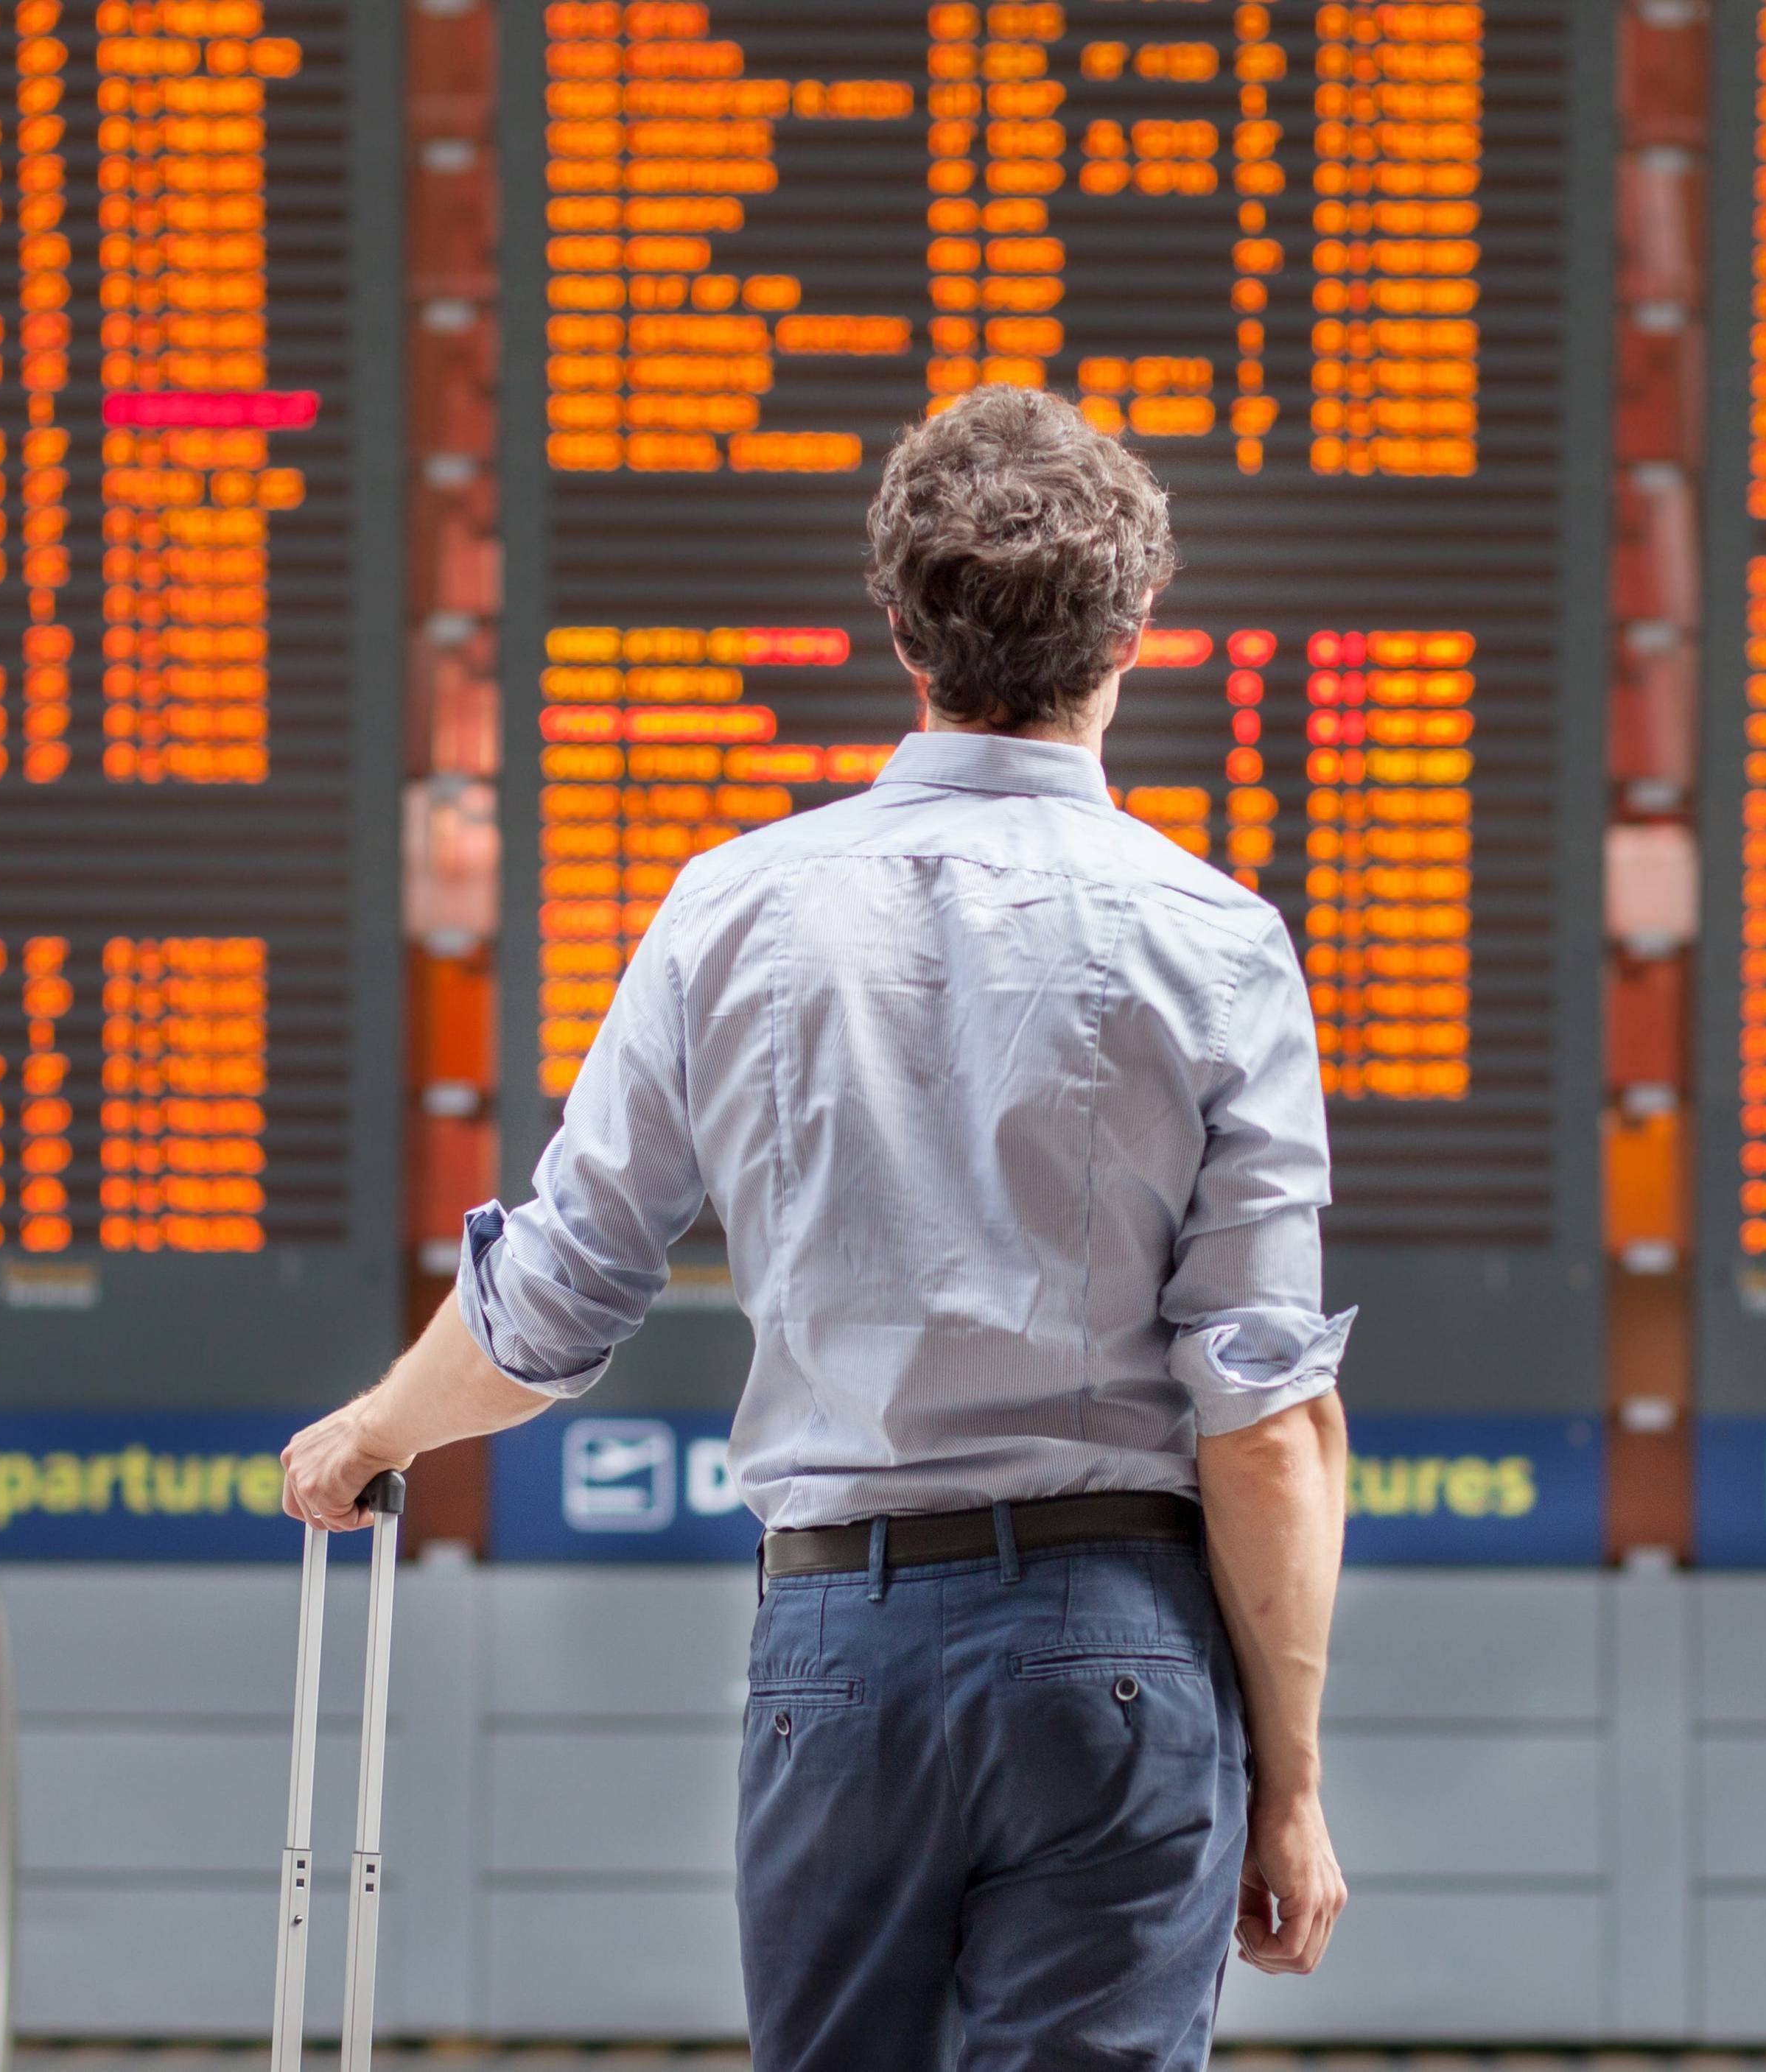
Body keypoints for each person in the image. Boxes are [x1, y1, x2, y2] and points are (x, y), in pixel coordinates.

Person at [280, 384, 1352, 2068]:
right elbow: (1266, 1419)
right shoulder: (1217, 942)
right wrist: (1286, 1781)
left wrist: (371, 1433)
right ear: (1134, 628)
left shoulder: (736, 910)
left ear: (901, 634)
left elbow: (554, 1297)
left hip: (842, 1652)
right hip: (1118, 1653)